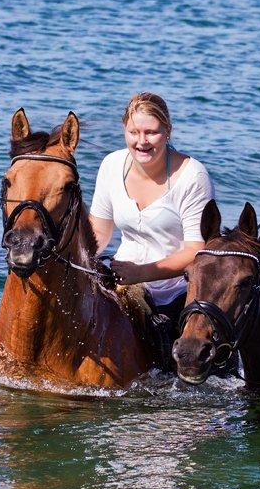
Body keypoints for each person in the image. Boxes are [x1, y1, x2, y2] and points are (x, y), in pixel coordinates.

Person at [89, 93, 215, 361]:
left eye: (151, 132)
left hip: (175, 291)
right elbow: (98, 233)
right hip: (121, 282)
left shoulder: (193, 175)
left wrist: (142, 273)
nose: (141, 141)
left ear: (167, 131)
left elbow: (197, 251)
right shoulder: (111, 165)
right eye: (133, 132)